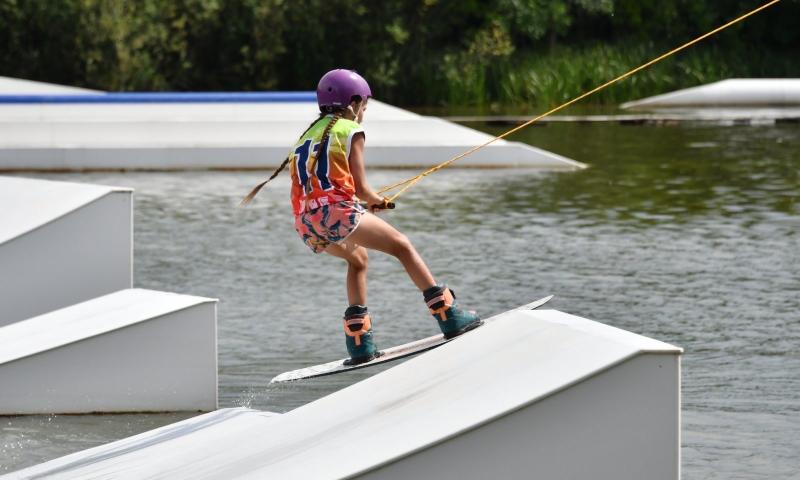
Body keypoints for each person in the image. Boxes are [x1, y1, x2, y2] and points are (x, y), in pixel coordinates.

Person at [243, 69, 480, 365]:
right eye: (365, 105)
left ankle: (359, 342)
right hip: (336, 212)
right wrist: (378, 201)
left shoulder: (307, 136)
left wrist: (359, 203)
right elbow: (361, 187)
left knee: (358, 260)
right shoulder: (349, 130)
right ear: (353, 102)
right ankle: (449, 316)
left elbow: (323, 188)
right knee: (402, 246)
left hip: (305, 223)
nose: (364, 112)